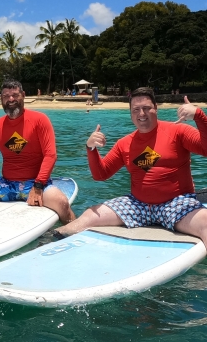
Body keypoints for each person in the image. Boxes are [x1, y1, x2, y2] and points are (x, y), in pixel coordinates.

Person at [58, 88, 207, 245]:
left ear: (156, 108)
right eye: (136, 109)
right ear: (131, 113)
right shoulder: (125, 144)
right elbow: (101, 174)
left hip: (176, 203)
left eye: (146, 108)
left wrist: (199, 116)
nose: (141, 114)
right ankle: (48, 243)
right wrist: (91, 149)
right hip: (137, 205)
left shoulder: (178, 131)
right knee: (89, 215)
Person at [0, 80, 75, 222]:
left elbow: (50, 155)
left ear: (23, 95)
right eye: (6, 96)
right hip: (6, 184)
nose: (10, 99)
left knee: (62, 204)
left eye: (15, 95)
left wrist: (38, 186)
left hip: (37, 183)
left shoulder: (40, 120)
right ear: (1, 99)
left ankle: (73, 233)